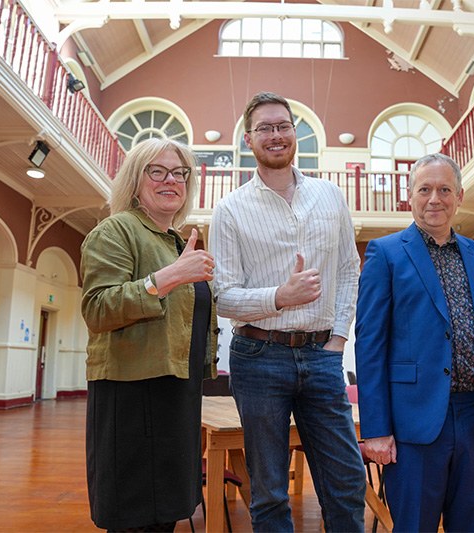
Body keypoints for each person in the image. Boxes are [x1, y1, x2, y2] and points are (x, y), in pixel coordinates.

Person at [210, 91, 366, 532]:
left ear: (294, 132)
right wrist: (280, 296)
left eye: (283, 126)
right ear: (248, 139)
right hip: (258, 357)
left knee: (346, 480)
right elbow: (223, 297)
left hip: (322, 356)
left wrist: (337, 339)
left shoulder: (330, 196)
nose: (275, 135)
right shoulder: (230, 209)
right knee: (270, 490)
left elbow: (349, 271)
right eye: (265, 128)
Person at [355, 153, 474, 533]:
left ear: (459, 196)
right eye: (425, 189)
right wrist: (376, 429)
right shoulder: (384, 254)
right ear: (410, 196)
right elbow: (369, 344)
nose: (435, 198)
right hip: (413, 421)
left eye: (444, 189)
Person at [80, 138, 218, 532]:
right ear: (135, 181)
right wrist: (168, 277)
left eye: (179, 172)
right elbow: (98, 308)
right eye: (156, 171)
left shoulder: (175, 241)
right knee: (135, 517)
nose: (169, 179)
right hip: (131, 395)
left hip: (177, 393)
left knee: (165, 516)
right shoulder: (116, 231)